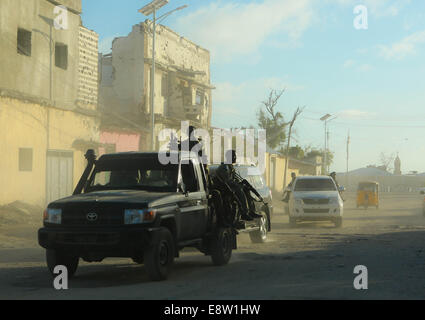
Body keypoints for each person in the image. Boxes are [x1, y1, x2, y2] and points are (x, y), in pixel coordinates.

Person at [216, 150, 262, 221]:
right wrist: (238, 184)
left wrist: (241, 183)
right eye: (234, 156)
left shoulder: (229, 166)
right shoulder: (224, 167)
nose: (235, 158)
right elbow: (227, 181)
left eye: (235, 156)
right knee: (240, 190)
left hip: (231, 186)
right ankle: (244, 213)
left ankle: (251, 211)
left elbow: (234, 179)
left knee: (246, 189)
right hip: (226, 188)